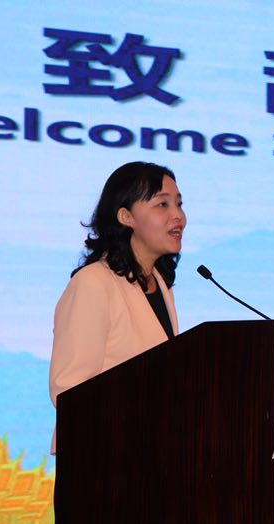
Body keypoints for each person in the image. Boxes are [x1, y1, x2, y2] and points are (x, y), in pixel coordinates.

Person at [48, 161, 186, 453]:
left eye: (179, 204)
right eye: (162, 204)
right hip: (103, 455)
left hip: (154, 453)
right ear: (126, 216)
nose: (178, 216)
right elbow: (69, 390)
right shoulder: (93, 283)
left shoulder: (161, 284)